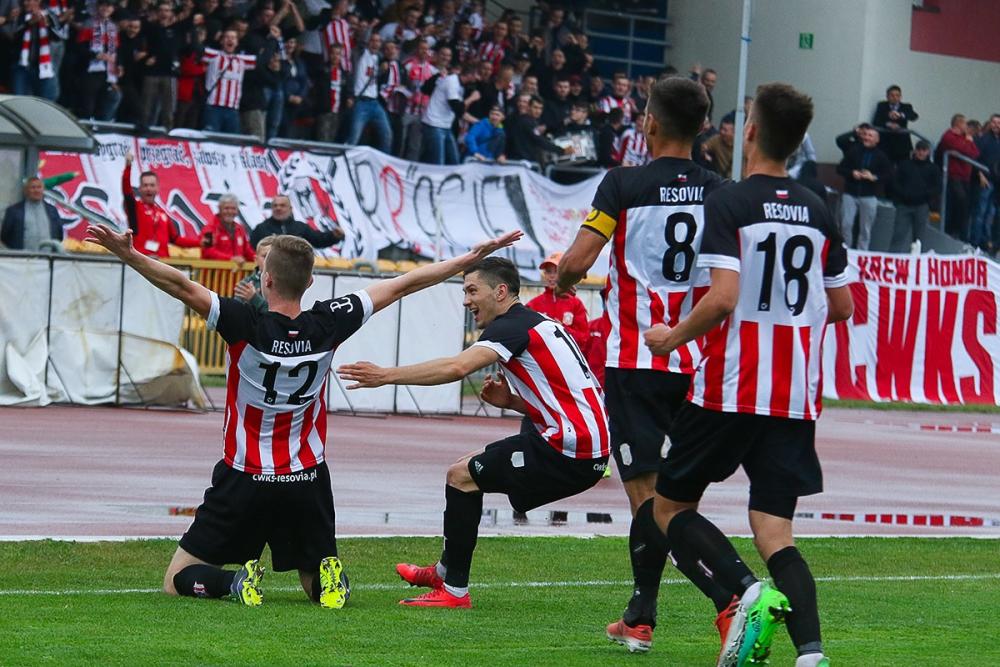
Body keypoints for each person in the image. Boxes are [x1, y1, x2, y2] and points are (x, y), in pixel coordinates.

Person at [84, 220, 521, 610]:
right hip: (306, 477)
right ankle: (331, 578)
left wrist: (130, 254)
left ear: (266, 278)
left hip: (245, 475)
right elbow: (402, 284)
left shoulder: (243, 322)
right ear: (311, 282)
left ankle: (234, 582)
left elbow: (181, 285)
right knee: (314, 582)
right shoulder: (328, 322)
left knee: (176, 579)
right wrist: (469, 258)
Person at [642, 82, 855, 667]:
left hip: (731, 385)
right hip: (794, 393)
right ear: (800, 141)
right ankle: (810, 654)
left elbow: (722, 298)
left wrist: (670, 338)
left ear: (752, 132)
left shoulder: (730, 202)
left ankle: (744, 590)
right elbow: (842, 306)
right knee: (774, 530)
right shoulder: (818, 209)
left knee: (669, 508)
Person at [556, 75, 736, 655]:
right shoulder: (721, 191)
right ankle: (640, 615)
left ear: (649, 122)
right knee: (674, 500)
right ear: (703, 127)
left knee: (649, 501)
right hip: (697, 360)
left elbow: (578, 260)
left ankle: (730, 599)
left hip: (635, 361)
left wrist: (561, 278)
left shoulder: (623, 184)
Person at [336, 255, 609, 609]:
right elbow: (568, 400)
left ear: (500, 292)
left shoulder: (511, 327)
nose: (466, 301)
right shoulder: (536, 322)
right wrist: (511, 401)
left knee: (461, 477)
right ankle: (444, 571)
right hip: (581, 443)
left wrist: (385, 376)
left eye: (472, 291)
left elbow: (457, 367)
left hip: (571, 450)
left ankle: (454, 590)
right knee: (465, 469)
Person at [121, 152, 200, 258]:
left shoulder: (162, 213)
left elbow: (176, 240)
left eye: (152, 185)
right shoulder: (135, 208)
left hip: (162, 261)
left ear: (157, 188)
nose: (148, 188)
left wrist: (200, 243)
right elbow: (126, 191)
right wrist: (128, 167)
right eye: (145, 185)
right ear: (140, 189)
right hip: (142, 260)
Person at [836, 126, 891, 250]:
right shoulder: (853, 151)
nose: (866, 137)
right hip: (850, 193)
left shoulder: (881, 156)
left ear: (877, 140)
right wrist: (852, 173)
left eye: (870, 136)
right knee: (845, 224)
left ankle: (862, 253)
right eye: (865, 135)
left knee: (865, 228)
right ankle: (845, 250)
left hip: (869, 195)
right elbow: (840, 168)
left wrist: (874, 177)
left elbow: (889, 175)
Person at [526, 251, 588, 348]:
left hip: (567, 355)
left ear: (565, 274)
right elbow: (525, 334)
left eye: (556, 271)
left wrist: (562, 329)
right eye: (548, 271)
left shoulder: (576, 304)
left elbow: (584, 340)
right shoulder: (534, 304)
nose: (551, 276)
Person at [344, 32, 393, 154]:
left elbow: (381, 80)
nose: (375, 44)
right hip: (360, 101)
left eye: (378, 41)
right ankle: (344, 159)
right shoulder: (360, 54)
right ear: (367, 42)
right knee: (353, 137)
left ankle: (383, 162)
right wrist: (349, 95)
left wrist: (384, 70)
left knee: (387, 135)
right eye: (373, 40)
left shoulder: (379, 58)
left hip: (374, 102)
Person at [202, 29, 258, 134]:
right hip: (214, 106)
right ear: (221, 41)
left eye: (233, 38)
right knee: (211, 138)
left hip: (233, 109)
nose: (230, 40)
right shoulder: (213, 55)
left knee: (232, 140)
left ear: (237, 43)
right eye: (227, 37)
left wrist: (273, 39)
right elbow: (196, 48)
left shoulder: (242, 60)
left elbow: (262, 60)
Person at [890, 140, 940, 252]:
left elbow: (936, 187)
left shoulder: (934, 169)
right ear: (915, 151)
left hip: (922, 206)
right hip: (904, 205)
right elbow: (895, 182)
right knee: (898, 235)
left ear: (928, 152)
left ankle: (915, 260)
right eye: (919, 150)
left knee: (918, 240)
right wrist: (902, 196)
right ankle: (892, 259)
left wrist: (925, 198)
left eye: (924, 150)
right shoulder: (904, 165)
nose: (921, 153)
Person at [938, 114, 980, 242]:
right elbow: (963, 150)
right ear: (958, 124)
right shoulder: (949, 136)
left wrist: (968, 142)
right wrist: (968, 141)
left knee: (965, 205)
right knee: (958, 202)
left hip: (965, 177)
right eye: (964, 123)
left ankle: (961, 233)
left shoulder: (964, 137)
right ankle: (951, 230)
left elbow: (975, 153)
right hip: (954, 176)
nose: (966, 126)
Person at [249, 194, 344, 249]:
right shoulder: (261, 229)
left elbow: (318, 240)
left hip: (295, 273)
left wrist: (333, 236)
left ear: (290, 209)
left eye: (282, 205)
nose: (278, 208)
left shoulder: (301, 228)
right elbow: (251, 250)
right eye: (275, 205)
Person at [0, 177, 69, 251]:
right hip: (22, 256)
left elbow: (59, 234)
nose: (36, 190)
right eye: (33, 187)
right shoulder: (14, 210)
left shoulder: (52, 210)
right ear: (26, 191)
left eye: (39, 187)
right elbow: (5, 236)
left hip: (48, 256)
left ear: (43, 190)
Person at [200, 194, 255, 262]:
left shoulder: (240, 229)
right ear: (219, 209)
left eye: (233, 208)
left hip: (236, 268)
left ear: (237, 210)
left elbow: (247, 250)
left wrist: (257, 258)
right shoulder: (210, 228)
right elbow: (207, 252)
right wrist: (230, 259)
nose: (230, 211)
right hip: (214, 268)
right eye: (226, 208)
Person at [872, 85, 918, 163]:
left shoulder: (906, 106)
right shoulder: (882, 106)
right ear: (887, 96)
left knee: (903, 166)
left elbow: (914, 116)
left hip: (902, 144)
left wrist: (901, 115)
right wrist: (888, 124)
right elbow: (876, 121)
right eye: (892, 95)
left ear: (901, 97)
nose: (895, 98)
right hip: (886, 143)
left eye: (897, 95)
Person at [234, 236, 275, 313]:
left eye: (273, 256)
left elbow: (280, 315)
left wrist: (255, 299)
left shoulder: (283, 284)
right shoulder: (246, 284)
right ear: (256, 260)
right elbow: (236, 312)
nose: (268, 260)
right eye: (265, 256)